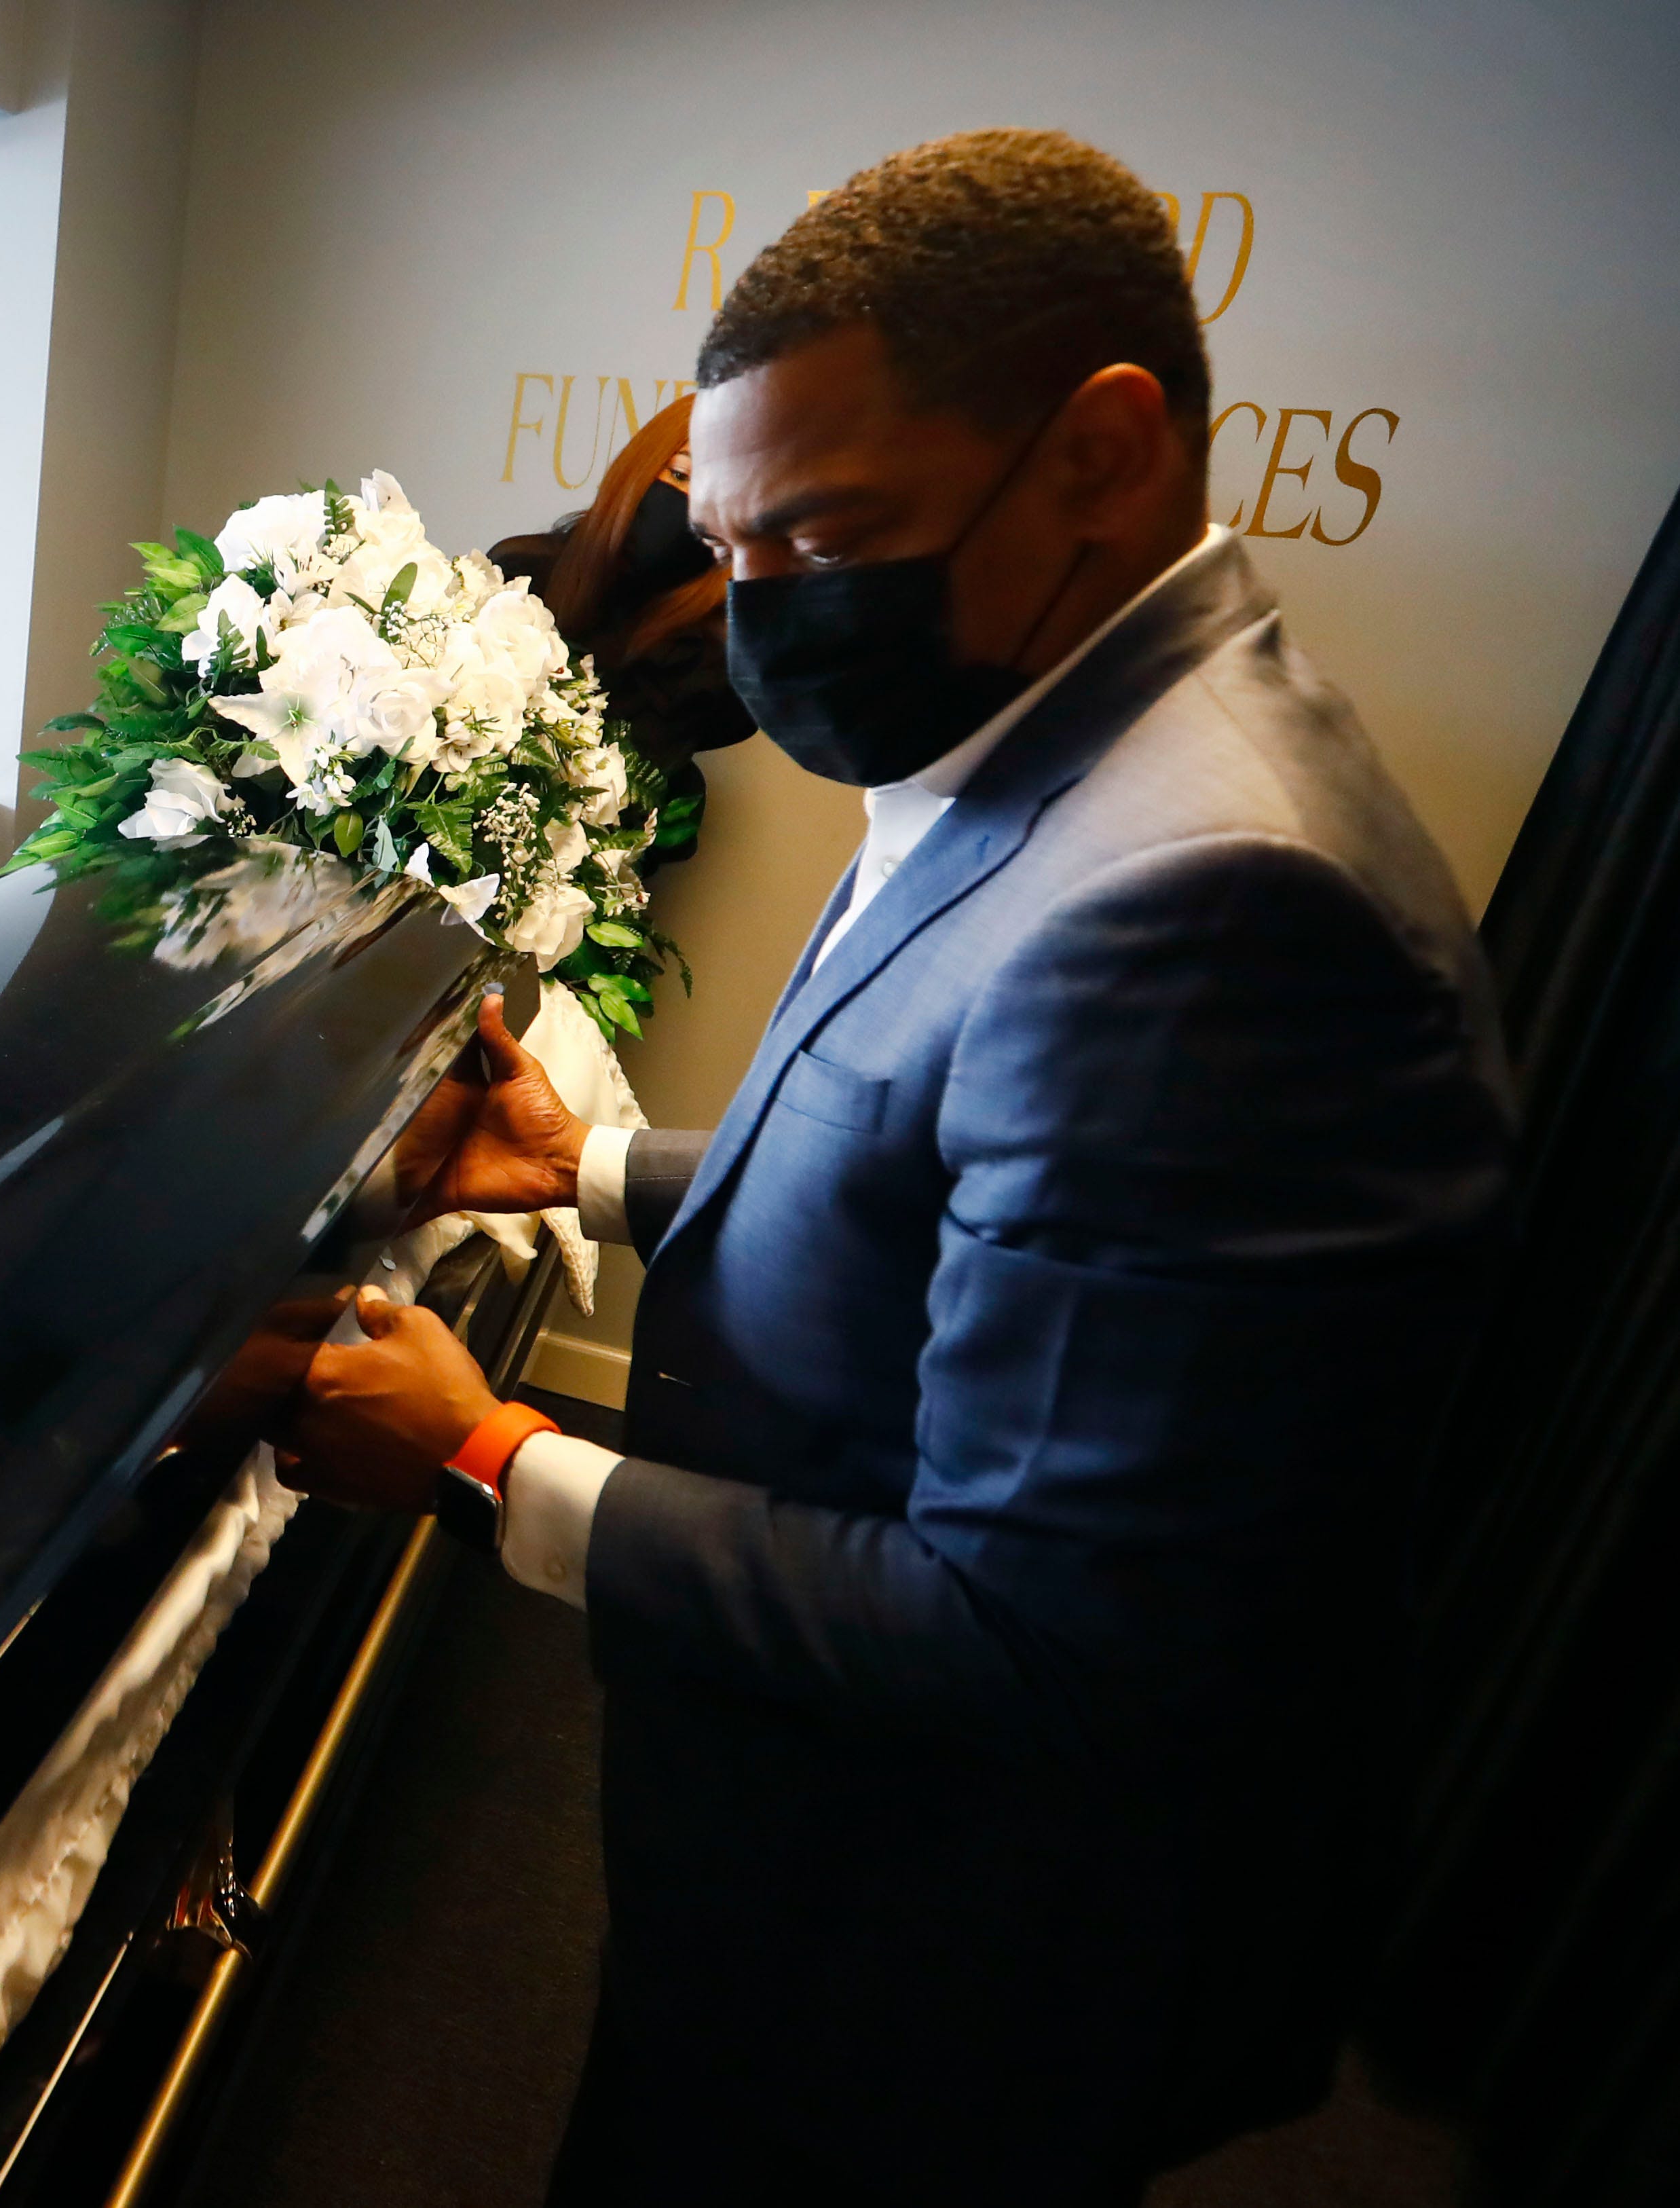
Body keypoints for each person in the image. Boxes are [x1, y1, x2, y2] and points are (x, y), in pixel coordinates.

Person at [278, 129, 1515, 2207]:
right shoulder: (1049, 726)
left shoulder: (1212, 900)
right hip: (808, 1817)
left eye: (817, 540)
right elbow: (930, 1165)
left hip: (944, 1932)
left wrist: (490, 1458)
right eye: (729, 545)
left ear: (1100, 455)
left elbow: (1032, 1636)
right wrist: (589, 1170)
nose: (750, 621)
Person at [491, 392, 759, 866]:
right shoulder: (520, 570)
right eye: (678, 475)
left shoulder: (707, 672)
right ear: (642, 465)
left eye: (715, 501)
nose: (685, 510)